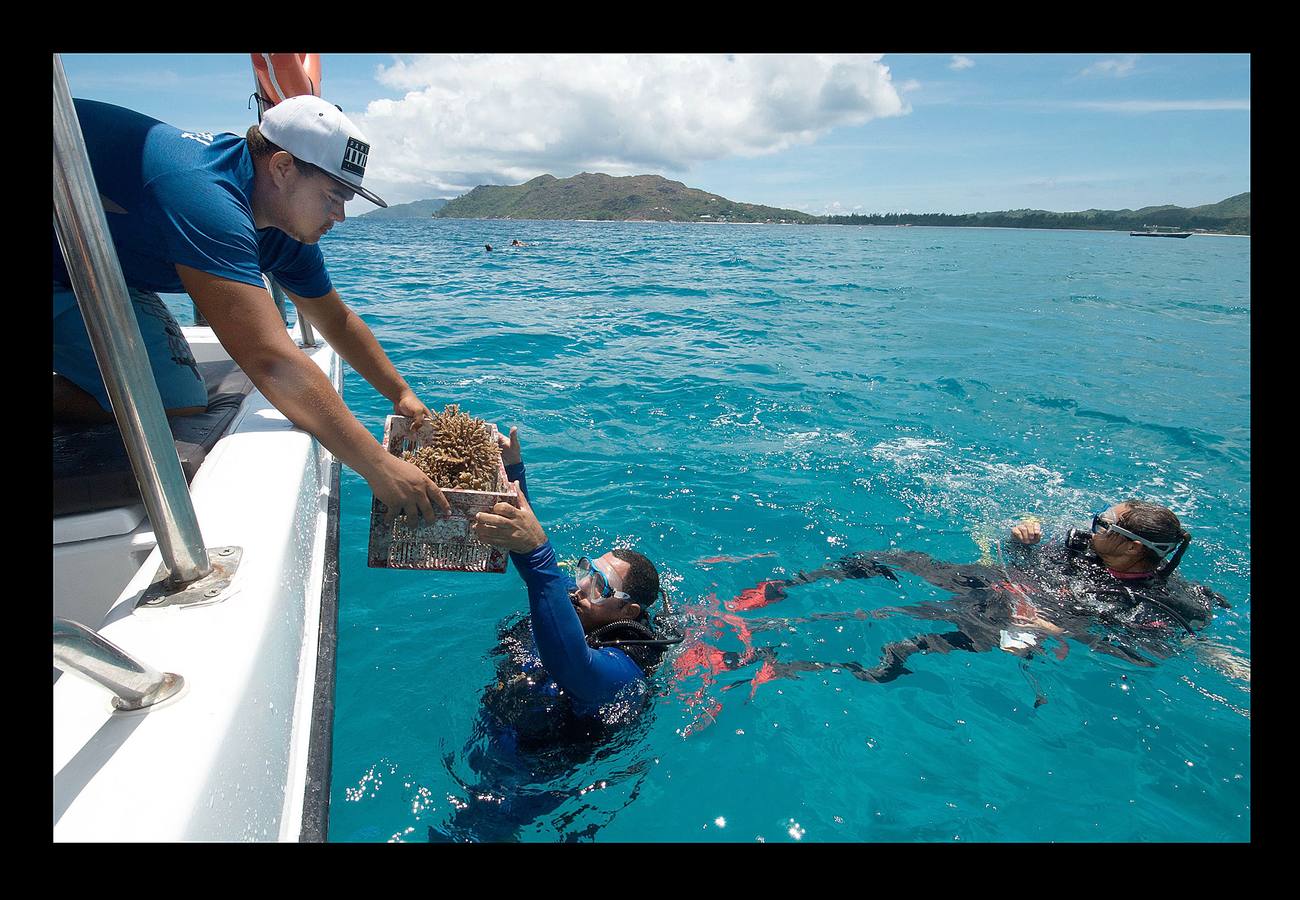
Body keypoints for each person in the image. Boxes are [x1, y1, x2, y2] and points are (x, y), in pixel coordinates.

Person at [52, 95, 447, 523]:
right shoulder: (204, 194)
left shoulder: (283, 228)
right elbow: (271, 360)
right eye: (334, 196)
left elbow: (336, 318)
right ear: (281, 168)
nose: (341, 215)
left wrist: (401, 393)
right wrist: (378, 466)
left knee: (176, 398)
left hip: (96, 274)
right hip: (71, 267)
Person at [688, 499, 1229, 704]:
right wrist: (1024, 544)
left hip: (1029, 631)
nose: (1092, 525)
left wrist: (1058, 630)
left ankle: (779, 666)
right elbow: (1022, 562)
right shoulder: (1079, 546)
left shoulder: (1169, 601)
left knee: (905, 642)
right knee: (895, 554)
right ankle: (778, 590)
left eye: (1105, 524)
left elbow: (1139, 650)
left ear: (1135, 549)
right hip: (995, 585)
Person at [428, 427, 680, 841]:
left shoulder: (626, 671)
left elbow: (570, 662)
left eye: (598, 583)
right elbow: (530, 551)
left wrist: (539, 555)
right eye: (585, 569)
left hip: (531, 777)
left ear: (628, 610)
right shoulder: (577, 602)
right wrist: (512, 473)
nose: (580, 586)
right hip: (498, 736)